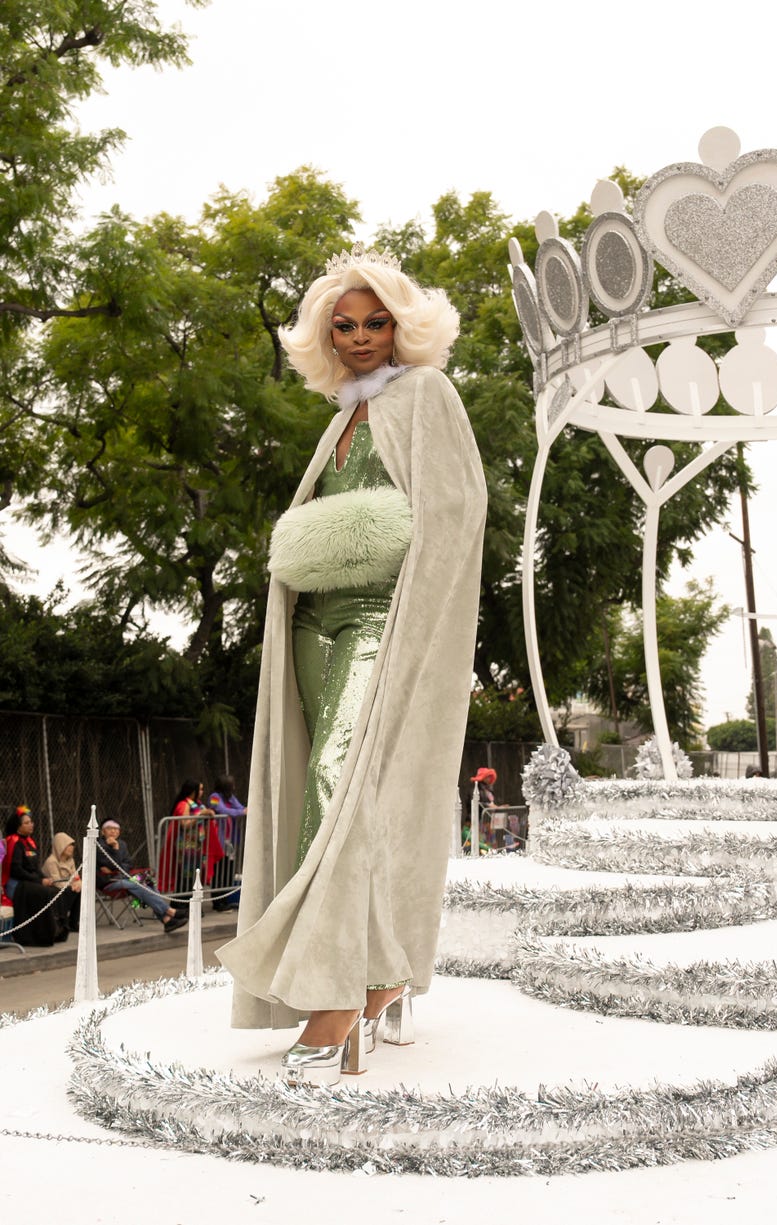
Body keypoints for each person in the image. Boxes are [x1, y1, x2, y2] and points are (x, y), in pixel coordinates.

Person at [217, 244, 486, 1087]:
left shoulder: (428, 395)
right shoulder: (340, 416)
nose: (363, 336)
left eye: (377, 322)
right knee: (316, 789)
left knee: (344, 784)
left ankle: (336, 995)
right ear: (323, 335)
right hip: (316, 620)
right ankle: (379, 973)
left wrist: (419, 628)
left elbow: (455, 513)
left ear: (404, 326)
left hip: (380, 615)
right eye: (346, 324)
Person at [96, 819, 187, 933]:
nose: (113, 831)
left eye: (116, 829)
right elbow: (111, 864)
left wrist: (117, 866)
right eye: (110, 829)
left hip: (124, 877)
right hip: (108, 882)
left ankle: (167, 920)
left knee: (148, 881)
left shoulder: (122, 844)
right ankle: (169, 911)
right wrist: (115, 849)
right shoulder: (98, 845)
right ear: (103, 831)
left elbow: (128, 864)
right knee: (137, 885)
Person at [2, 807, 69, 946]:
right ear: (18, 826)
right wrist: (39, 881)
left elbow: (35, 868)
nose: (31, 824)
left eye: (31, 822)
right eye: (26, 823)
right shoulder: (13, 842)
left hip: (30, 881)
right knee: (43, 893)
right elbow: (16, 870)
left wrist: (45, 879)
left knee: (55, 891)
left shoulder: (30, 842)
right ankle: (39, 935)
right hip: (17, 884)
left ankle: (57, 930)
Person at [158, 780, 224, 898]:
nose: (202, 792)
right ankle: (182, 901)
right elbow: (185, 823)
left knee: (195, 874)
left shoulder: (197, 804)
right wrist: (200, 815)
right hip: (186, 845)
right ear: (194, 791)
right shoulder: (184, 804)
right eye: (200, 789)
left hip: (197, 844)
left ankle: (191, 901)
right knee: (186, 874)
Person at [208, 774, 246, 911]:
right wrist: (240, 812)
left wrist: (241, 811)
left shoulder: (230, 797)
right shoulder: (214, 797)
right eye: (232, 784)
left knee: (228, 870)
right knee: (219, 871)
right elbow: (222, 810)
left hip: (230, 841)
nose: (234, 787)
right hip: (219, 840)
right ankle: (217, 901)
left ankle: (225, 900)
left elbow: (240, 807)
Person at [41, 832, 82, 932]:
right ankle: (63, 921)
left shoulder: (70, 860)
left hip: (67, 886)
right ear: (60, 846)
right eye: (68, 845)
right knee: (70, 891)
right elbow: (56, 881)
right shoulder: (51, 861)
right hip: (53, 889)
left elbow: (75, 876)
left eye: (72, 845)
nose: (71, 848)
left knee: (80, 890)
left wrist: (79, 883)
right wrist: (72, 886)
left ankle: (74, 922)